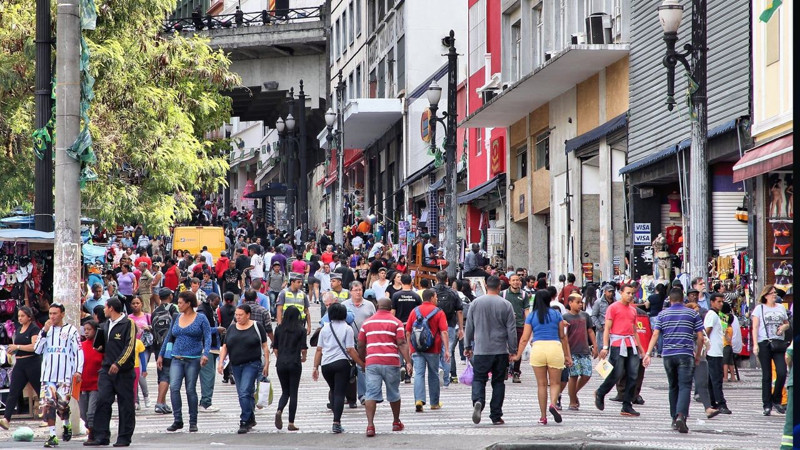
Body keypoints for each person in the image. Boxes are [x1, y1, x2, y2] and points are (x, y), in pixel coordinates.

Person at [642, 288, 704, 433]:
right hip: (685, 353)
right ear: (683, 299)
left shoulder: (662, 314)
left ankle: (674, 418)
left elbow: (655, 334)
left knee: (673, 386)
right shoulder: (692, 314)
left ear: (670, 300)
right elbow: (700, 337)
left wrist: (648, 353)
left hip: (668, 355)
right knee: (685, 386)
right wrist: (698, 355)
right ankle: (681, 416)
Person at [512, 289, 571, 425]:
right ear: (549, 300)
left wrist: (517, 355)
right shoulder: (556, 314)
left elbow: (524, 338)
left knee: (541, 384)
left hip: (538, 348)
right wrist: (567, 356)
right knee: (555, 383)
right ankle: (553, 404)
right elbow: (562, 336)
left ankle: (543, 417)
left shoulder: (532, 316)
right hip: (554, 348)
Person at [465, 276, 517, 426]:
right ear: (499, 287)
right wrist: (512, 350)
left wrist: (467, 346)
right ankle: (496, 415)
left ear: (486, 286)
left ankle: (478, 401)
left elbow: (469, 326)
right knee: (498, 382)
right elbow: (511, 330)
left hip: (481, 350)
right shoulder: (506, 305)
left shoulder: (475, 303)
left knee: (479, 379)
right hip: (500, 350)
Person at [157, 291, 212, 433]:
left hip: (193, 359)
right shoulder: (176, 317)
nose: (179, 305)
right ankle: (177, 420)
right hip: (176, 358)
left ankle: (193, 421)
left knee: (190, 389)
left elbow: (207, 337)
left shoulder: (201, 318)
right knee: (174, 388)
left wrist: (205, 354)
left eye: (181, 303)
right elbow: (169, 336)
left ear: (188, 303)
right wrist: (161, 355)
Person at [357, 298, 412, 437]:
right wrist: (408, 362)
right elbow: (402, 343)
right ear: (390, 308)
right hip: (391, 362)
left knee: (370, 394)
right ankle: (396, 422)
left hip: (372, 362)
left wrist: (363, 361)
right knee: (394, 392)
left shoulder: (367, 323)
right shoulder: (396, 322)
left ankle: (370, 426)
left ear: (377, 307)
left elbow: (361, 344)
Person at [87, 297, 137, 447]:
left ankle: (124, 437)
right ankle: (101, 436)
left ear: (111, 308)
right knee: (102, 401)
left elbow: (129, 346)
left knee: (125, 404)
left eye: (105, 307)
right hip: (106, 369)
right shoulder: (106, 324)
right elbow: (105, 345)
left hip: (124, 371)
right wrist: (100, 348)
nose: (103, 310)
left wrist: (119, 363)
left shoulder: (128, 323)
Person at [33, 302, 84, 447]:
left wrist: (78, 370)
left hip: (65, 375)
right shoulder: (45, 331)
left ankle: (66, 423)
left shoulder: (71, 330)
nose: (52, 316)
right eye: (50, 314)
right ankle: (52, 435)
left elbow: (78, 351)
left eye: (55, 313)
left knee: (62, 405)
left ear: (62, 314)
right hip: (48, 375)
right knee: (48, 405)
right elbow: (37, 349)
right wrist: (44, 332)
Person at [312, 303, 365, 433]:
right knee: (340, 393)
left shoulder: (325, 328)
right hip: (342, 364)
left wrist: (315, 367)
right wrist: (362, 363)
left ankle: (335, 415)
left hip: (326, 365)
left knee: (333, 390)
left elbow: (319, 350)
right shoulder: (347, 329)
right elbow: (350, 349)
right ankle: (336, 422)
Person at [217, 304, 270, 434]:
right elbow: (225, 346)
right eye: (236, 315)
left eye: (241, 315)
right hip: (236, 365)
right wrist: (221, 362)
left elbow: (264, 346)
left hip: (252, 363)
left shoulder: (257, 326)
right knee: (245, 393)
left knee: (244, 391)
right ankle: (250, 416)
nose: (238, 317)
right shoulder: (232, 328)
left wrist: (267, 364)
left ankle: (244, 420)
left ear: (248, 315)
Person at [594, 282, 645, 417]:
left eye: (632, 293)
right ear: (621, 293)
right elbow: (607, 328)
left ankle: (627, 405)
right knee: (616, 373)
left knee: (633, 375)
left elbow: (634, 330)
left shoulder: (633, 310)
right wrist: (605, 347)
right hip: (617, 344)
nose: (630, 296)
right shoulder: (613, 308)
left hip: (631, 344)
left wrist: (641, 349)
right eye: (628, 293)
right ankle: (601, 392)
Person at [0, 307, 41, 431]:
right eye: (19, 316)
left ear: (29, 317)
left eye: (22, 316)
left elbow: (34, 347)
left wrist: (17, 346)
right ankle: (6, 418)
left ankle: (48, 416)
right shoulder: (18, 329)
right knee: (13, 391)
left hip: (32, 362)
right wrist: (12, 350)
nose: (20, 318)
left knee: (40, 390)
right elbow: (18, 346)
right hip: (20, 362)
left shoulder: (34, 329)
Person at [751, 284, 790, 416]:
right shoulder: (759, 309)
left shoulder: (781, 308)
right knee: (767, 375)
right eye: (772, 293)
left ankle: (776, 399)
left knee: (782, 372)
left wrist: (784, 327)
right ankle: (767, 404)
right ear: (766, 295)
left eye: (775, 293)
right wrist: (755, 344)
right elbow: (755, 327)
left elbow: (786, 323)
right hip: (764, 343)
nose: (774, 295)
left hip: (778, 343)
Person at [271, 306, 307, 432]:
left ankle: (279, 410)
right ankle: (291, 422)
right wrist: (303, 358)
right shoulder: (301, 330)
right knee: (293, 393)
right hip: (294, 363)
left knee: (285, 392)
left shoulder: (279, 328)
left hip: (281, 364)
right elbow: (303, 348)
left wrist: (280, 358)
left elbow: (275, 349)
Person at [342, 281, 377, 403]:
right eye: (355, 290)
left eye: (360, 290)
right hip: (348, 342)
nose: (358, 292)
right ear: (350, 291)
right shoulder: (344, 305)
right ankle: (347, 394)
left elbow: (374, 321)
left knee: (362, 366)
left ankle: (363, 395)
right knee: (347, 368)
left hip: (365, 341)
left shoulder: (369, 305)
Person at [563, 293, 597, 411]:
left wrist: (595, 346)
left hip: (584, 350)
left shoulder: (585, 316)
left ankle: (573, 393)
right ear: (570, 303)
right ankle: (572, 401)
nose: (580, 305)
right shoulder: (565, 317)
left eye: (581, 302)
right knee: (573, 375)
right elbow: (564, 336)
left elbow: (590, 331)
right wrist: (566, 354)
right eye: (577, 302)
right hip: (572, 351)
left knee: (587, 375)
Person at [704, 293, 731, 414]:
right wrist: (705, 346)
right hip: (713, 351)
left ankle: (713, 402)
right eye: (718, 301)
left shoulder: (717, 315)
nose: (721, 304)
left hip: (716, 351)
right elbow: (707, 331)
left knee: (712, 379)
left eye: (722, 301)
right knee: (716, 379)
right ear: (712, 302)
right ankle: (720, 403)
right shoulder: (712, 315)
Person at [197, 292, 223, 413]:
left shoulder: (210, 310)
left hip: (213, 347)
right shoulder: (203, 312)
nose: (216, 306)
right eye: (215, 303)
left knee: (210, 376)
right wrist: (216, 329)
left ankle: (205, 401)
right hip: (206, 349)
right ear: (209, 301)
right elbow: (203, 329)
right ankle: (206, 403)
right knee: (208, 376)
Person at [500, 274, 529, 384]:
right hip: (505, 326)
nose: (516, 282)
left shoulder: (524, 294)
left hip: (519, 325)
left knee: (518, 349)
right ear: (509, 282)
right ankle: (505, 368)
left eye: (517, 280)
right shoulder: (503, 294)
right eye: (513, 280)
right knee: (504, 348)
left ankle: (516, 372)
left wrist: (528, 324)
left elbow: (526, 310)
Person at [79, 320, 103, 441]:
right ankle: (90, 428)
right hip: (82, 384)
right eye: (85, 330)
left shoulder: (100, 347)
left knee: (91, 412)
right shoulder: (81, 346)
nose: (86, 332)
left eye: (89, 329)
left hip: (96, 384)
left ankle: (93, 434)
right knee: (83, 413)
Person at [128, 297, 151, 409]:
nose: (136, 305)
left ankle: (146, 396)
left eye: (138, 303)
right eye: (133, 303)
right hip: (132, 347)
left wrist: (148, 328)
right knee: (133, 374)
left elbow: (154, 329)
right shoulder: (128, 318)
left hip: (144, 347)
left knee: (141, 372)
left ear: (142, 304)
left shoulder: (147, 316)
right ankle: (135, 400)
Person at [592, 284, 615, 352]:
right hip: (602, 329)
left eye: (612, 291)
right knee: (602, 349)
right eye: (609, 291)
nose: (611, 293)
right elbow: (593, 316)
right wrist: (599, 326)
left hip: (613, 329)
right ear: (605, 292)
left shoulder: (615, 302)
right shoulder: (598, 302)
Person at [645, 283, 666, 357]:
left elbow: (647, 306)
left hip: (653, 316)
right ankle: (660, 352)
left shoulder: (652, 297)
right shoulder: (665, 297)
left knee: (653, 334)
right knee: (660, 335)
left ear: (656, 289)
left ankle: (652, 351)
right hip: (663, 316)